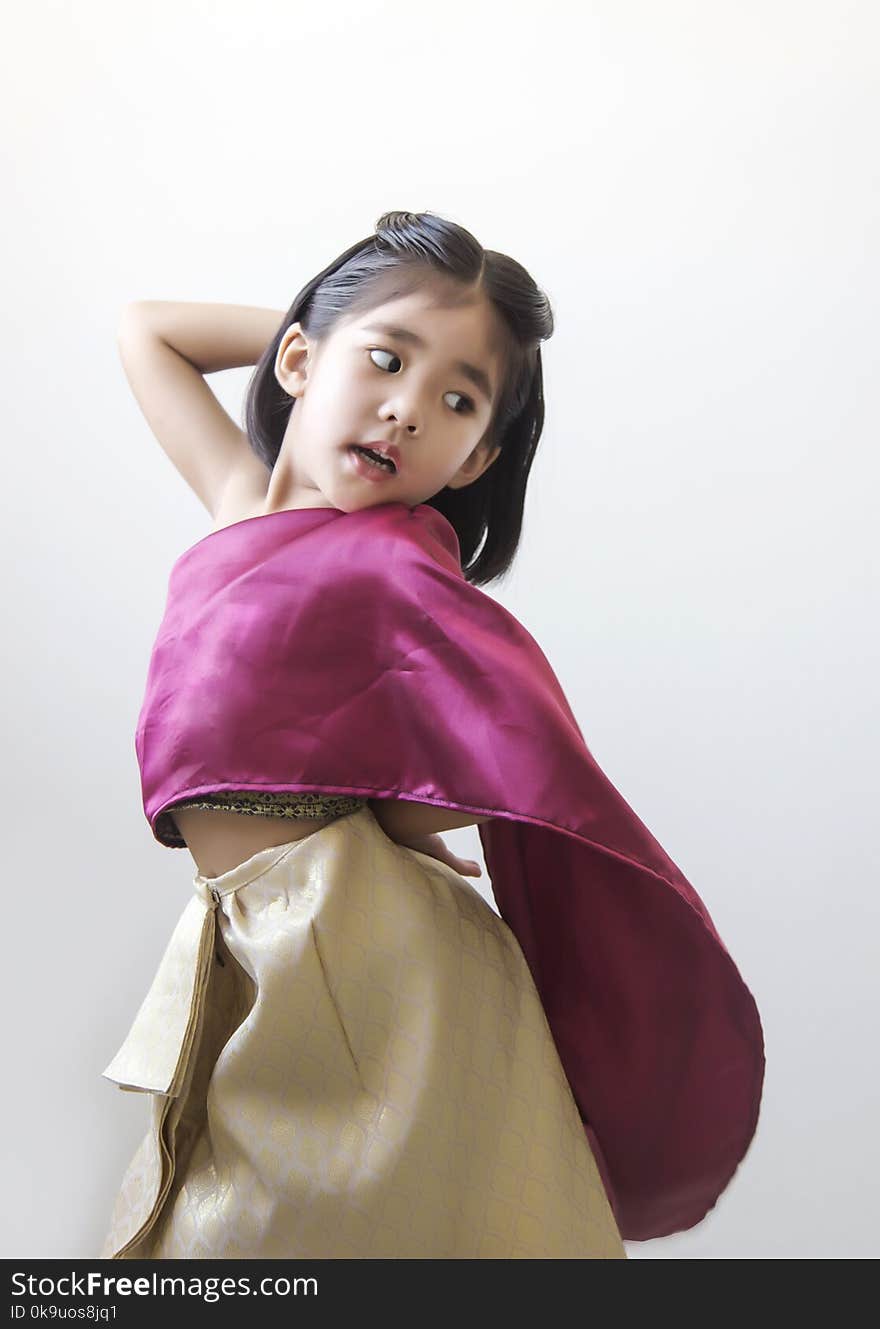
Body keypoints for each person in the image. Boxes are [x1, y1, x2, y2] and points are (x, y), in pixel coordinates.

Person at [98, 210, 763, 1259]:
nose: (406, 410)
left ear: (475, 456)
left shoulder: (397, 569)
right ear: (299, 360)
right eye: (385, 361)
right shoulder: (239, 507)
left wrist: (410, 820)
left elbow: (482, 751)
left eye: (455, 401)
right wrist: (319, 325)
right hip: (257, 939)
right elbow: (145, 329)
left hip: (357, 953)